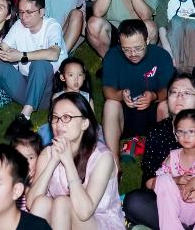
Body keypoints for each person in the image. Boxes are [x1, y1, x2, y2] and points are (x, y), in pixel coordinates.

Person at [28, 92, 125, 229]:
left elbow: (84, 212)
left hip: (99, 222)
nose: (59, 123)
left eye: (66, 117)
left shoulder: (102, 158)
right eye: (55, 117)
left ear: (84, 123)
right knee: (41, 204)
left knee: (62, 203)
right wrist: (53, 162)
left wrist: (68, 162)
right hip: (61, 220)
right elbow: (32, 204)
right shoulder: (48, 154)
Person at [122, 73, 195, 229]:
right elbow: (148, 180)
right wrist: (173, 183)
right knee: (134, 202)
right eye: (174, 92)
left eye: (187, 93)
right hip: (168, 205)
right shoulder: (157, 132)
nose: (179, 97)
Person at [0, 0, 67, 135]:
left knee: (40, 63)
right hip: (24, 86)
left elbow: (53, 53)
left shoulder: (52, 26)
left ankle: (24, 117)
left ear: (41, 12)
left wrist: (22, 56)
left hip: (47, 89)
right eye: (21, 12)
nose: (24, 17)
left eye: (29, 12)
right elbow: (4, 46)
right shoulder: (18, 25)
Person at [101, 19, 174, 174]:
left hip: (154, 114)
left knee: (166, 105)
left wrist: (154, 96)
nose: (133, 54)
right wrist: (120, 95)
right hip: (125, 116)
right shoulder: (112, 56)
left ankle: (164, 161)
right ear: (120, 43)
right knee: (110, 104)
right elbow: (107, 90)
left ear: (147, 40)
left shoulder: (161, 56)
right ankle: (114, 166)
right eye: (126, 49)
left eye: (138, 48)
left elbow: (169, 90)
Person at [153, 109, 195, 230]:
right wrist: (176, 180)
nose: (186, 136)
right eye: (181, 131)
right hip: (177, 209)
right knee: (163, 179)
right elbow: (156, 183)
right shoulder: (173, 156)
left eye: (191, 131)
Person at [10, 131, 44, 212]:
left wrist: (26, 184)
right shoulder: (12, 183)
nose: (26, 162)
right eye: (20, 157)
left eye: (31, 158)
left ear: (39, 157)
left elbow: (31, 204)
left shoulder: (43, 181)